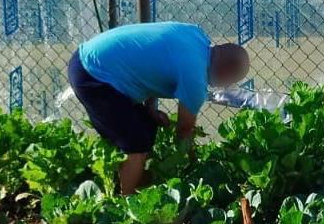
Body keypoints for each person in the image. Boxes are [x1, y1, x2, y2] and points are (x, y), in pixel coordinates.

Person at [67, 22, 250, 194]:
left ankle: (132, 182)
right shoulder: (195, 79)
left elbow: (153, 60)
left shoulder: (195, 35)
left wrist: (150, 111)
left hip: (93, 58)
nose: (226, 86)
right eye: (231, 81)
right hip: (94, 74)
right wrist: (195, 166)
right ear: (226, 71)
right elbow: (184, 130)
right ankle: (126, 205)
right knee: (136, 144)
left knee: (147, 124)